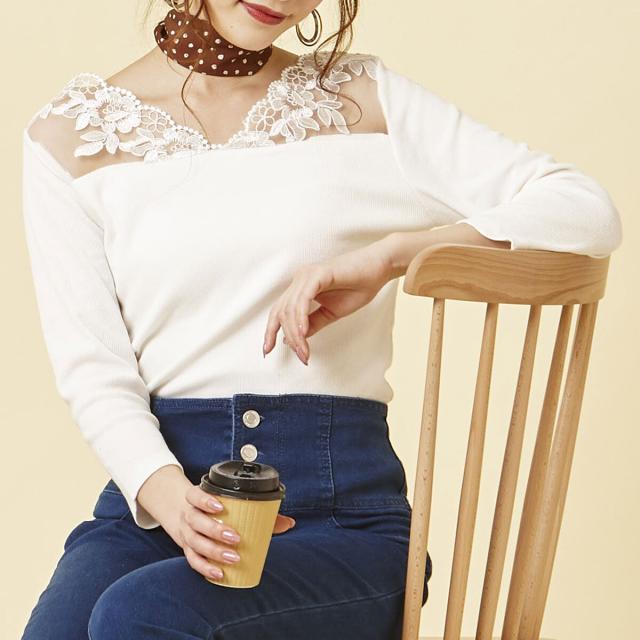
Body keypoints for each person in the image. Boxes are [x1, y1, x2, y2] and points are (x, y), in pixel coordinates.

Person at [20, 0, 622, 638]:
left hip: (342, 516)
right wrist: (167, 495)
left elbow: (585, 210)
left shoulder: (364, 102)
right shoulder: (70, 137)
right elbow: (94, 369)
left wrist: (392, 256)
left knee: (145, 614)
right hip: (157, 499)